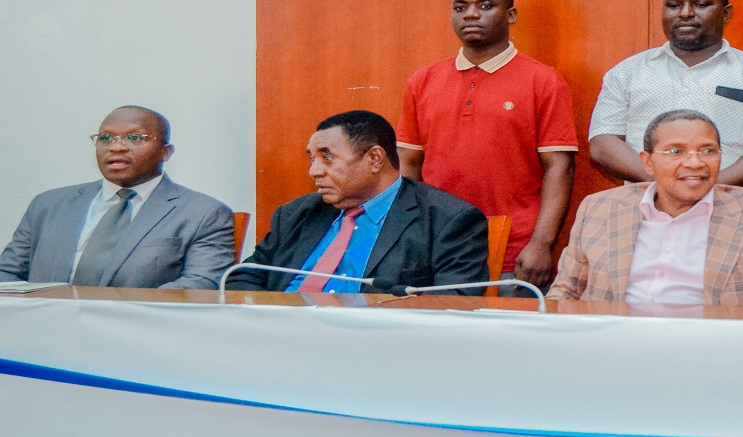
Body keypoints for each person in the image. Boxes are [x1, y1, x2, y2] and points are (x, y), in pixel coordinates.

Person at [397, 0, 576, 287]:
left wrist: (541, 243)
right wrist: (406, 235)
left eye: (485, 6)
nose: (470, 14)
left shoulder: (543, 80)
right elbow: (409, 165)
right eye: (460, 7)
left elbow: (559, 167)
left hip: (514, 251)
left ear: (510, 15)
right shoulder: (423, 80)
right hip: (436, 246)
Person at [551, 110, 743, 305]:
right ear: (648, 162)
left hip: (713, 350)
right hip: (615, 346)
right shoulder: (599, 208)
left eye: (708, 151)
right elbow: (565, 293)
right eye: (676, 151)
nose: (695, 163)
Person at [588, 0, 743, 193]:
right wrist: (665, 186)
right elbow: (603, 143)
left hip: (733, 205)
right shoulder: (627, 72)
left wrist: (706, 189)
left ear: (726, 14)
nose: (685, 13)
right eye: (674, 5)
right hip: (643, 204)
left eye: (700, 4)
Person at [232, 110, 488, 294]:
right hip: (284, 334)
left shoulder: (447, 220)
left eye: (327, 158)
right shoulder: (297, 213)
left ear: (375, 159)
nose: (314, 171)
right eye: (312, 159)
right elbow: (242, 277)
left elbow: (451, 303)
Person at [0, 106, 235, 289]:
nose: (116, 147)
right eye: (105, 138)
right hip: (45, 326)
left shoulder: (203, 213)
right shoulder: (48, 204)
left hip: (137, 329)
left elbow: (199, 284)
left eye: (135, 138)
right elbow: (7, 273)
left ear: (166, 152)